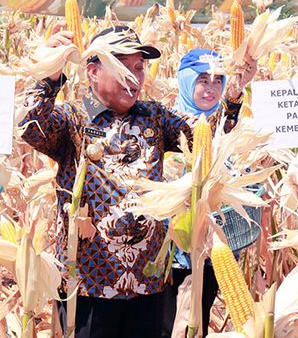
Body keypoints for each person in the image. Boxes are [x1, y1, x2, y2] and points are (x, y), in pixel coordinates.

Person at [19, 26, 256, 338]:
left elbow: (205, 136)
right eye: (122, 68)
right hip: (91, 285)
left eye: (139, 67)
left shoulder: (153, 116)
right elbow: (30, 128)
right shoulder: (73, 118)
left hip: (150, 283)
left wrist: (235, 91)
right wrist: (50, 75)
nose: (134, 77)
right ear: (93, 71)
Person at [160, 48, 225, 338]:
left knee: (198, 320)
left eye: (218, 81)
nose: (211, 89)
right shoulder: (165, 122)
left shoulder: (226, 126)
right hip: (169, 254)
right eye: (203, 80)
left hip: (209, 251)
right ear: (186, 82)